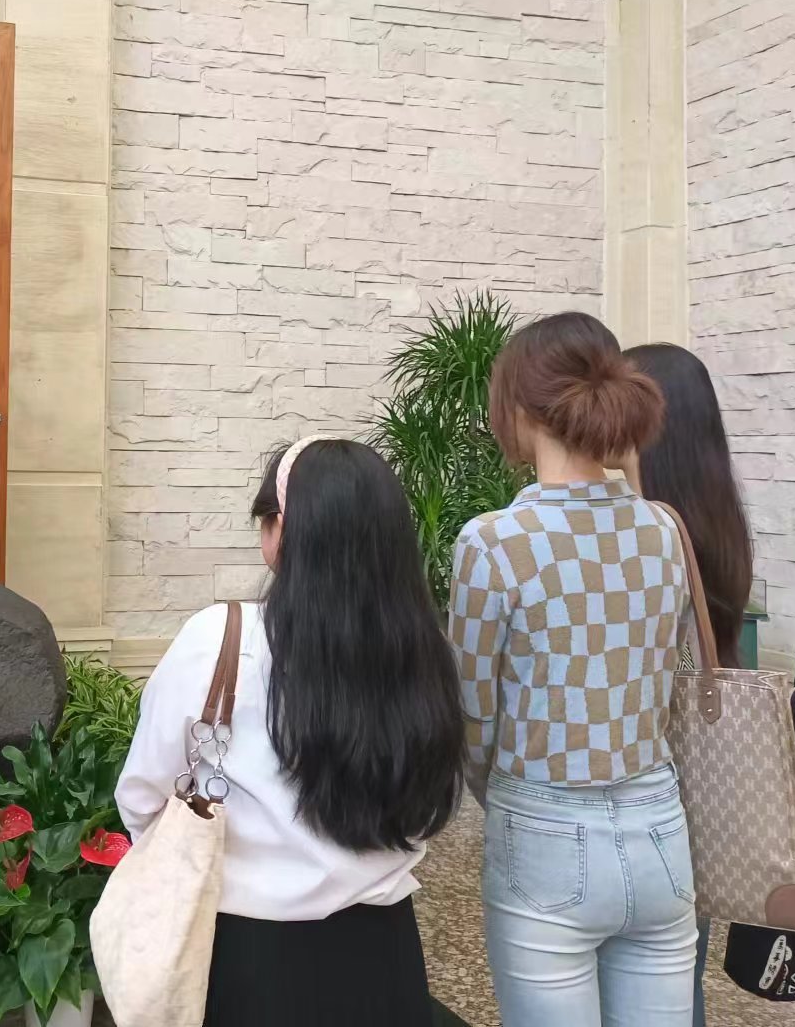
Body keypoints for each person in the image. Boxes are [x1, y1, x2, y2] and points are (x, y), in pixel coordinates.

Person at [116, 437, 465, 1025]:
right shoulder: (425, 651)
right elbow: (431, 801)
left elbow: (142, 796)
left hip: (246, 956)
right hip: (386, 955)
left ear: (283, 531)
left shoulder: (220, 638)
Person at [449, 312, 697, 1027]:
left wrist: (496, 790)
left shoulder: (494, 542)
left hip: (543, 827)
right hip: (660, 824)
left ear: (519, 409)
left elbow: (473, 710)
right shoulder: (664, 527)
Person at [625, 343, 755, 1027]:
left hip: (650, 785)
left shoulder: (647, 533)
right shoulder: (717, 517)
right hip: (702, 787)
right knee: (676, 981)